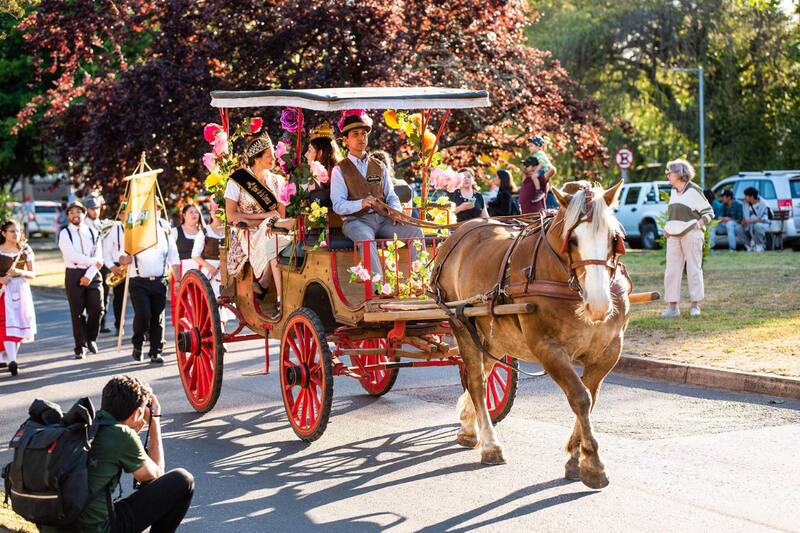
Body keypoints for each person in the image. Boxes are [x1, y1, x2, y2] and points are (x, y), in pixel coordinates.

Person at [76, 375, 194, 533]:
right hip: (96, 529)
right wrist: (154, 421)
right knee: (183, 480)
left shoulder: (84, 426)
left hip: (59, 524)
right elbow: (156, 476)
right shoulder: (122, 435)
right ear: (138, 412)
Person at [330, 110, 425, 278]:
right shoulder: (339, 169)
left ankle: (419, 281)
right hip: (356, 221)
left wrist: (396, 211)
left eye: (364, 134)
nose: (361, 138)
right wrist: (361, 203)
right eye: (355, 134)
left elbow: (391, 196)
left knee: (416, 232)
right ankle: (378, 288)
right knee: (366, 239)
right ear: (345, 140)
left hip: (383, 219)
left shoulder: (379, 166)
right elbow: (338, 205)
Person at [225, 132, 293, 315]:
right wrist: (263, 217)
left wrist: (259, 218)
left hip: (272, 228)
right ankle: (279, 299)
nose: (274, 159)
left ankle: (267, 285)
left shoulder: (278, 181)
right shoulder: (237, 180)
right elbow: (231, 216)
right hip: (248, 232)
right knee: (273, 237)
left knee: (273, 237)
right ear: (256, 158)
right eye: (269, 156)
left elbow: (280, 215)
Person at [118, 212, 180, 364]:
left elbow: (173, 256)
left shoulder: (164, 227)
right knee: (144, 315)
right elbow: (121, 256)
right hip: (139, 281)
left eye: (157, 208)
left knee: (157, 317)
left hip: (159, 280)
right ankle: (138, 344)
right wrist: (125, 259)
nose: (154, 211)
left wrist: (178, 280)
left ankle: (155, 351)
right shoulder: (134, 227)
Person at [661, 159, 714, 318]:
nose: (667, 175)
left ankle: (695, 305)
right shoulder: (673, 191)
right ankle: (672, 308)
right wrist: (667, 227)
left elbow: (709, 212)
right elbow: (673, 215)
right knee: (671, 271)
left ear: (679, 174)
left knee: (693, 269)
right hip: (673, 236)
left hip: (692, 234)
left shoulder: (694, 190)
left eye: (670, 172)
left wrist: (699, 224)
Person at [58, 200, 104, 359]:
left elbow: (99, 256)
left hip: (92, 273)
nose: (75, 215)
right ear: (68, 216)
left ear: (84, 214)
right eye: (71, 212)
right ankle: (80, 346)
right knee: (77, 313)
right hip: (73, 273)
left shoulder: (93, 232)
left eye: (78, 212)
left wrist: (89, 275)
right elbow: (72, 255)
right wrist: (93, 261)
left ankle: (91, 338)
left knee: (97, 308)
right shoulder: (65, 233)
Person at [0, 220, 36, 377]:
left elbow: (33, 274)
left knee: (19, 322)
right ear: (3, 233)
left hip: (20, 289)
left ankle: (11, 358)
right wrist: (1, 279)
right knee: (5, 323)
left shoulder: (25, 249)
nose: (16, 234)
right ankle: (12, 360)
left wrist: (20, 272)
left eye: (18, 231)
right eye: (12, 231)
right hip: (3, 290)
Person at [192, 202, 234, 326]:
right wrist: (209, 267)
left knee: (225, 302)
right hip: (210, 273)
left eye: (220, 211)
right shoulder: (204, 232)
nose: (217, 214)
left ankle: (221, 329)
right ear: (210, 213)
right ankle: (217, 330)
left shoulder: (230, 231)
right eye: (214, 211)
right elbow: (195, 255)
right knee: (213, 303)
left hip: (227, 272)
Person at [84, 194, 113, 333]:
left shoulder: (103, 224)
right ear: (86, 210)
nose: (95, 211)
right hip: (88, 264)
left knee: (104, 294)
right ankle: (88, 322)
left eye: (97, 208)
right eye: (92, 209)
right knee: (88, 296)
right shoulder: (83, 225)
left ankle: (102, 323)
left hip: (103, 263)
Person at [170, 204, 202, 326]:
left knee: (199, 304)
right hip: (181, 272)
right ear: (184, 215)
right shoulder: (175, 232)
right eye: (191, 212)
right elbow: (171, 256)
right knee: (183, 305)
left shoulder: (203, 232)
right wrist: (177, 278)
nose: (194, 214)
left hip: (200, 272)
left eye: (196, 212)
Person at [304, 121, 342, 208]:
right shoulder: (308, 174)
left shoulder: (337, 173)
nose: (306, 155)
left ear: (320, 153)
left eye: (309, 150)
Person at [103, 207, 127, 333]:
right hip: (118, 267)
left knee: (140, 298)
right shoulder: (113, 229)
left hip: (136, 266)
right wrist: (112, 267)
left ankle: (144, 330)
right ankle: (119, 325)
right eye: (123, 213)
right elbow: (106, 252)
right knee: (119, 299)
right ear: (119, 215)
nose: (126, 216)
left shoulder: (139, 229)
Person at [742, 187, 770, 252]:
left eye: (746, 196)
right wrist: (743, 221)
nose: (744, 197)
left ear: (751, 197)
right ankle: (749, 246)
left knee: (757, 226)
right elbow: (745, 216)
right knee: (738, 228)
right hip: (749, 225)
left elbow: (765, 219)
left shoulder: (764, 204)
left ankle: (759, 245)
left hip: (764, 224)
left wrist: (751, 221)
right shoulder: (745, 204)